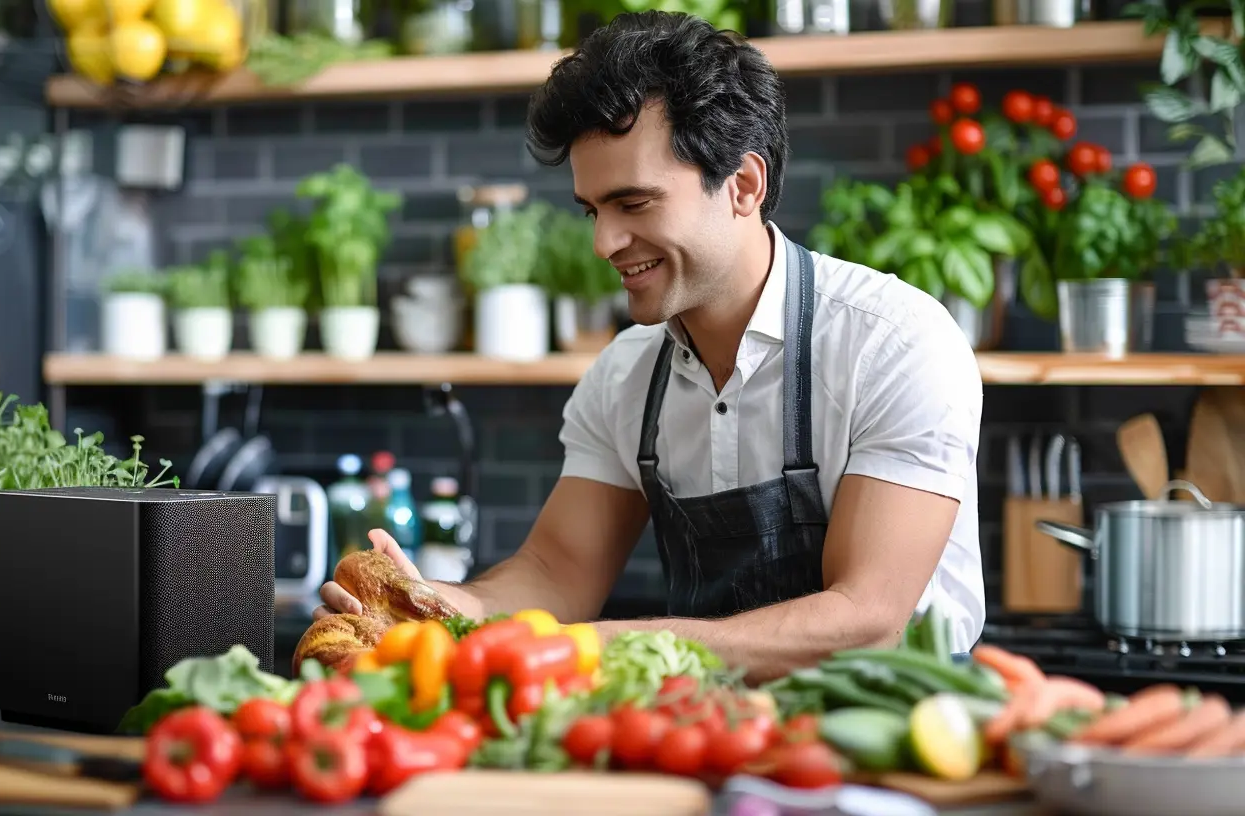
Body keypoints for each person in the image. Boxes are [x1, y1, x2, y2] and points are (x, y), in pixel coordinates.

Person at [315, 10, 985, 681]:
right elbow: (555, 573)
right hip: (701, 733)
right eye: (592, 210)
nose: (603, 243)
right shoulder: (626, 377)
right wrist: (439, 610)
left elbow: (867, 618)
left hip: (898, 740)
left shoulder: (893, 345)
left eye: (633, 204)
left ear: (744, 186)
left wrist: (597, 646)